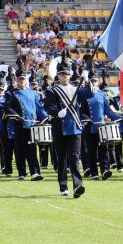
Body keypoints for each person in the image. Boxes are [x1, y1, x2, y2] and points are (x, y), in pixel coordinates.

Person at [44, 55, 86, 198]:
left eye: (67, 74)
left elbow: (88, 94)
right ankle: (63, 186)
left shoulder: (76, 89)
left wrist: (89, 83)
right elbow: (49, 107)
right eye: (62, 74)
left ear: (69, 75)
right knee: (62, 158)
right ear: (58, 76)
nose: (65, 76)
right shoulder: (52, 91)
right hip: (60, 128)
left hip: (74, 127)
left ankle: (77, 186)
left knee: (74, 158)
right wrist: (56, 113)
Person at [4, 60, 47, 181]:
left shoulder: (33, 93)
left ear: (26, 80)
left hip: (32, 125)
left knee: (32, 148)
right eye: (19, 79)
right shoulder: (11, 93)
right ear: (16, 80)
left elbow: (39, 108)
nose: (21, 81)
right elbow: (7, 107)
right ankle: (21, 172)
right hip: (19, 124)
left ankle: (35, 172)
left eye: (23, 79)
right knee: (20, 149)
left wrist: (46, 118)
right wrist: (16, 115)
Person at [78, 68, 121, 181]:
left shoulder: (102, 94)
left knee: (103, 149)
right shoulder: (84, 94)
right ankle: (94, 172)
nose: (93, 83)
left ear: (98, 82)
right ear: (89, 82)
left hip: (101, 127)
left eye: (95, 81)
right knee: (91, 151)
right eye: (91, 81)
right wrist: (86, 120)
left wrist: (119, 117)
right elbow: (81, 111)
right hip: (89, 127)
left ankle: (105, 170)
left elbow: (108, 110)